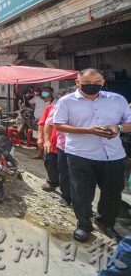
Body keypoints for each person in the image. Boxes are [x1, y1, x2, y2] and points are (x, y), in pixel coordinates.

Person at [54, 68, 131, 243]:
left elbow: (129, 123)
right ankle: (83, 224)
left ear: (103, 82)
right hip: (80, 154)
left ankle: (106, 223)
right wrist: (88, 130)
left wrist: (117, 128)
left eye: (97, 83)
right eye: (87, 83)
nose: (92, 86)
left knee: (112, 192)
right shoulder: (66, 102)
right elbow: (59, 125)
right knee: (81, 192)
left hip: (113, 155)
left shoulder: (117, 100)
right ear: (78, 82)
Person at [45, 87, 74, 207]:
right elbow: (47, 123)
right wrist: (45, 140)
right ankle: (66, 196)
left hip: (83, 148)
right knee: (64, 172)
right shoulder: (56, 107)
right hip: (62, 145)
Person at [37, 101, 58, 192]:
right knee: (50, 163)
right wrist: (40, 138)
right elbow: (42, 124)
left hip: (69, 146)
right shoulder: (51, 108)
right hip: (51, 143)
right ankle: (52, 183)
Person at [31, 87, 55, 159]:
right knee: (38, 137)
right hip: (37, 121)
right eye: (44, 91)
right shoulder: (38, 99)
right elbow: (30, 102)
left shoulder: (55, 101)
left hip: (49, 123)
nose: (44, 92)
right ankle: (39, 153)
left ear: (51, 92)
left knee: (48, 138)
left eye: (47, 91)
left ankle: (46, 154)